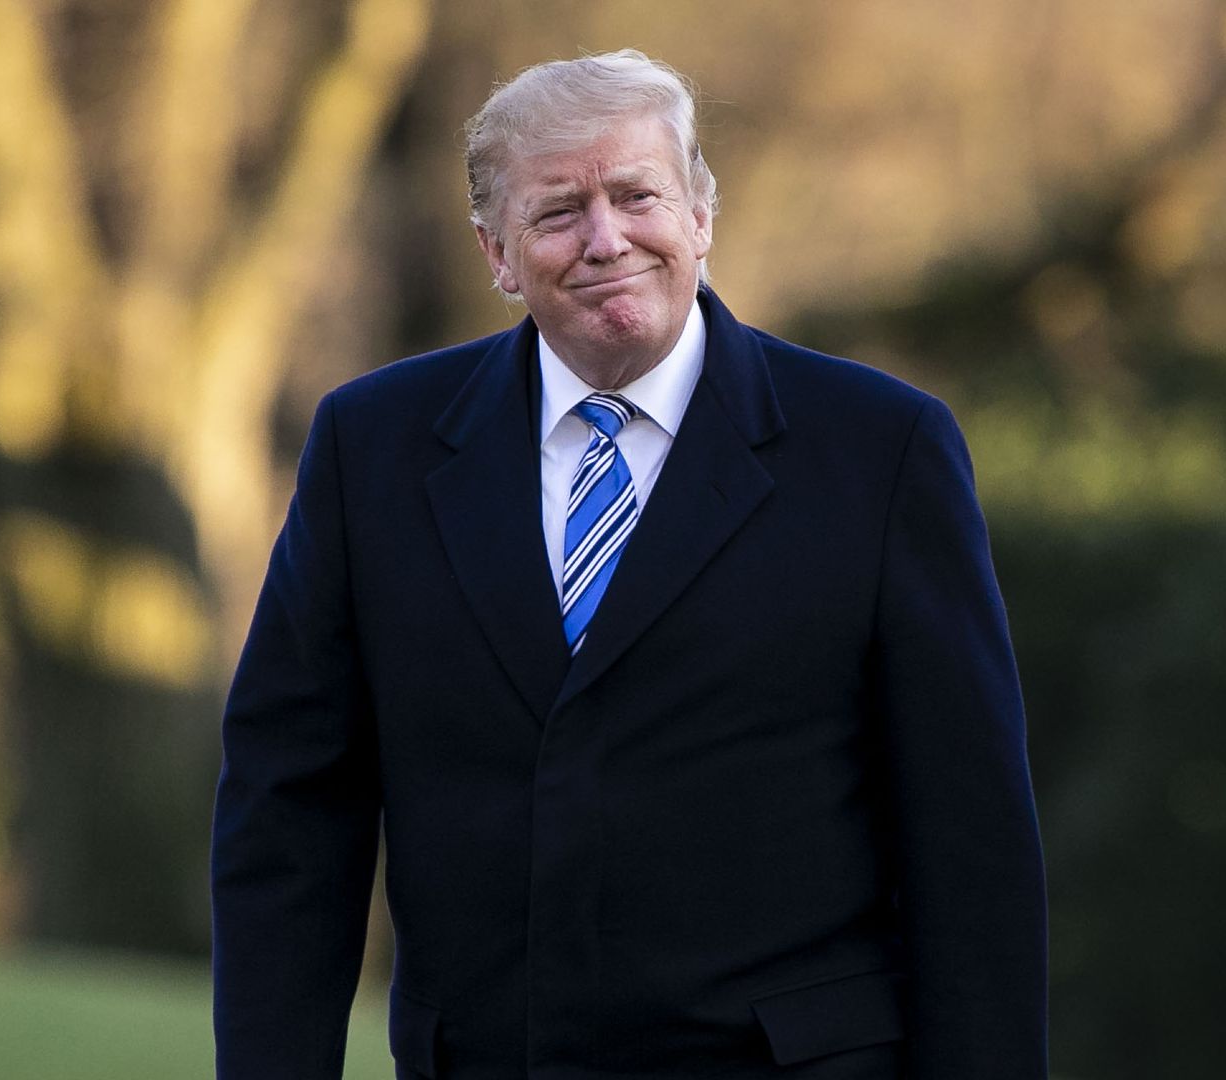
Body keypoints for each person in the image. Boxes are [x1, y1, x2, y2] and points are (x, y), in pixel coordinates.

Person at [210, 49, 1046, 1080]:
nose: (606, 239)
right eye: (559, 211)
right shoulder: (371, 449)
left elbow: (973, 845)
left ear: (699, 213)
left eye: (637, 195)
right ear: (498, 254)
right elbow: (288, 812)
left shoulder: (880, 451)